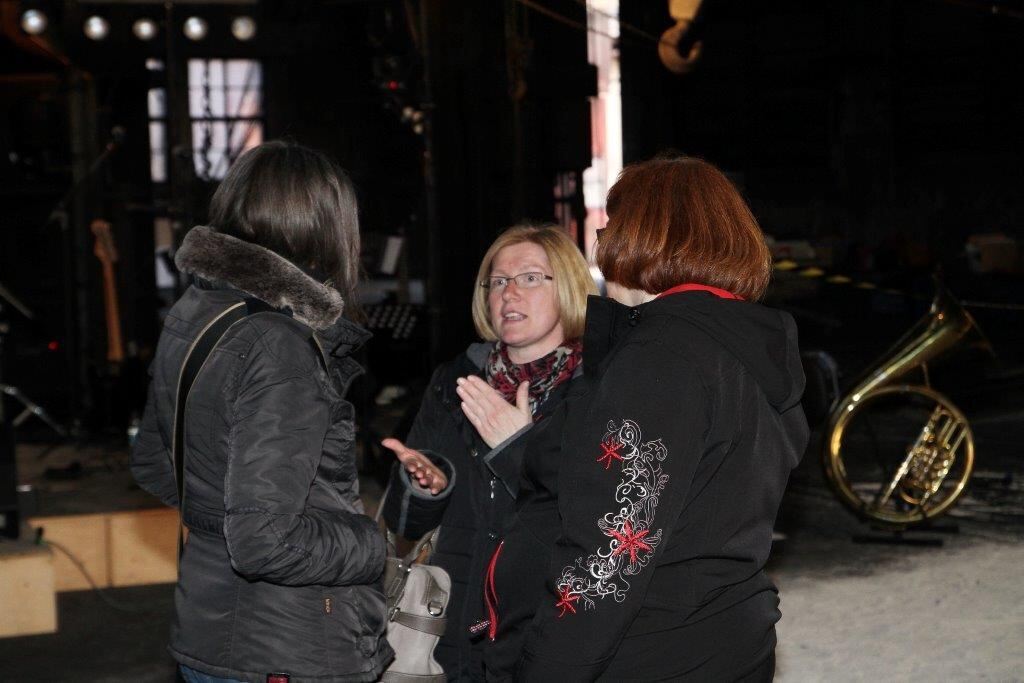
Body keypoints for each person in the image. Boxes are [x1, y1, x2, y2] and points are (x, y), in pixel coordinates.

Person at [484, 156, 809, 680]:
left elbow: (610, 553)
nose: (600, 242)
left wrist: (545, 669)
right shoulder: (745, 347)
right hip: (729, 638)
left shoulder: (663, 356)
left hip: (647, 654)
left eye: (611, 227)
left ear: (644, 235)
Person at [131, 141, 393, 682]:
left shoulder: (196, 311)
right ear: (325, 227)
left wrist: (220, 514)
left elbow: (154, 464)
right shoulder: (279, 345)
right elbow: (265, 542)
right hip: (287, 646)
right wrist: (374, 545)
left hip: (210, 629)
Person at [378, 224, 597, 680]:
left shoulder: (599, 388)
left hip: (552, 629)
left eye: (531, 277)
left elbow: (600, 520)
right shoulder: (455, 382)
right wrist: (424, 489)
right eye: (498, 281)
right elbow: (404, 525)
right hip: (454, 629)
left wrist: (521, 449)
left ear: (571, 287)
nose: (510, 292)